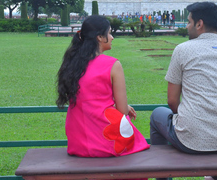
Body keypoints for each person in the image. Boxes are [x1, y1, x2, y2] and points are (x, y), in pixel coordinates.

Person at [150, 2, 217, 159]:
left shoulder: (183, 49)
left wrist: (187, 119)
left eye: (189, 22)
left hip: (189, 140)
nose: (187, 26)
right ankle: (214, 176)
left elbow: (172, 101)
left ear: (199, 24)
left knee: (157, 115)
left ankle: (162, 173)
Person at [56, 15, 149, 158]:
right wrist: (122, 107)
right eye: (110, 33)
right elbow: (123, 111)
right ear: (99, 37)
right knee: (137, 146)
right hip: (103, 138)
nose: (112, 37)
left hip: (77, 140)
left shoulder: (73, 63)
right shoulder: (112, 65)